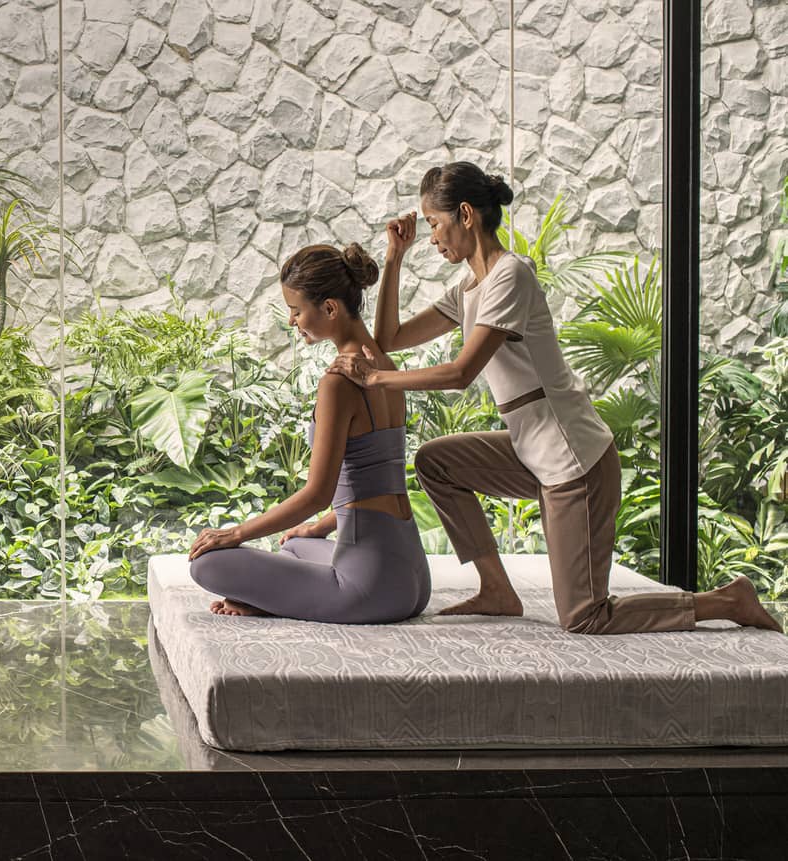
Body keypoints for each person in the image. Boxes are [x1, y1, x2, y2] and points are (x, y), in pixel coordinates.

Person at [329, 161, 780, 634]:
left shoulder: (511, 276)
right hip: (531, 451)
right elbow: (389, 338)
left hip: (573, 462)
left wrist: (375, 379)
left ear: (465, 215)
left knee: (585, 616)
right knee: (435, 462)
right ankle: (497, 589)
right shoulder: (470, 288)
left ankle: (728, 600)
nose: (433, 238)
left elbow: (462, 373)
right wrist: (395, 256)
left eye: (435, 224)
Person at [187, 243, 431, 624]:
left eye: (296, 310)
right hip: (412, 577)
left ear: (330, 308)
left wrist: (235, 534)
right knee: (297, 543)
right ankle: (283, 595)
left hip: (370, 588)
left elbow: (317, 494)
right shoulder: (384, 366)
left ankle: (276, 600)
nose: (292, 321)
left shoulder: (339, 382)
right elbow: (378, 486)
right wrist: (320, 528)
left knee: (206, 564)